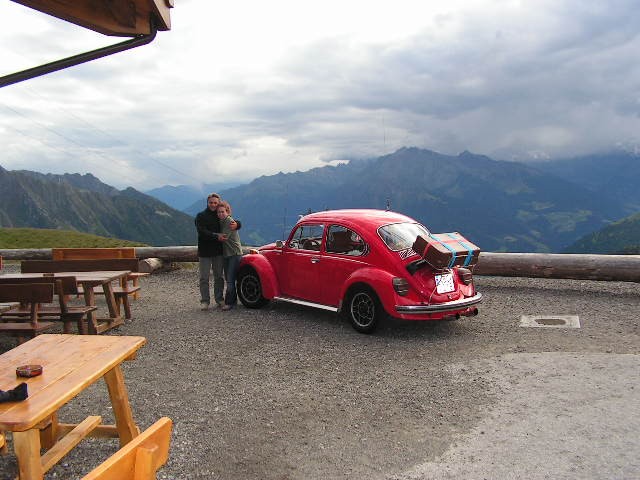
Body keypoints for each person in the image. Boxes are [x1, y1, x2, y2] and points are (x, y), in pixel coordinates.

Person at [195, 193, 240, 310]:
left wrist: (238, 224)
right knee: (204, 278)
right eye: (211, 202)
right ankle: (205, 301)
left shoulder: (219, 215)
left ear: (218, 203)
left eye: (215, 203)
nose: (213, 205)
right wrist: (216, 236)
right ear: (207, 202)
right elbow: (202, 232)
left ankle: (219, 299)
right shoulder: (200, 216)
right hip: (205, 252)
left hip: (218, 252)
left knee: (219, 277)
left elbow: (230, 220)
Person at [216, 201, 243, 310]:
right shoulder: (221, 221)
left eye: (223, 212)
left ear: (227, 212)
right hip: (227, 254)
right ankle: (234, 301)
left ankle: (229, 303)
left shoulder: (229, 222)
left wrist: (211, 235)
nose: (220, 214)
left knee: (230, 279)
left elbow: (224, 237)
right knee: (229, 278)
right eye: (219, 212)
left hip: (234, 253)